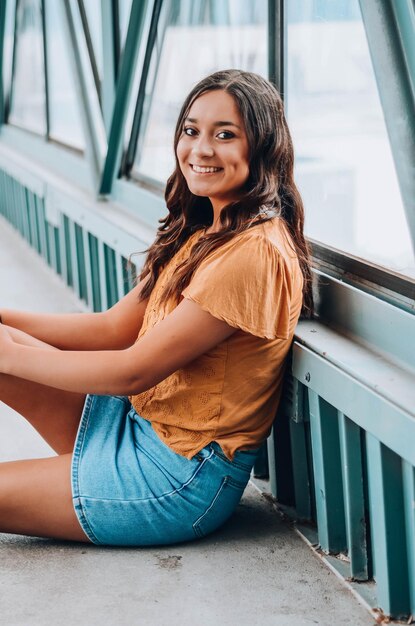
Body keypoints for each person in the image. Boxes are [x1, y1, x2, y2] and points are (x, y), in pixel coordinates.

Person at [0, 69, 313, 546]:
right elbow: (111, 329)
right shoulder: (205, 229)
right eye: (191, 131)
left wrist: (11, 354)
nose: (200, 149)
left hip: (177, 476)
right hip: (137, 423)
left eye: (224, 135)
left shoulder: (253, 253)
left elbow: (133, 372)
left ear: (263, 147)